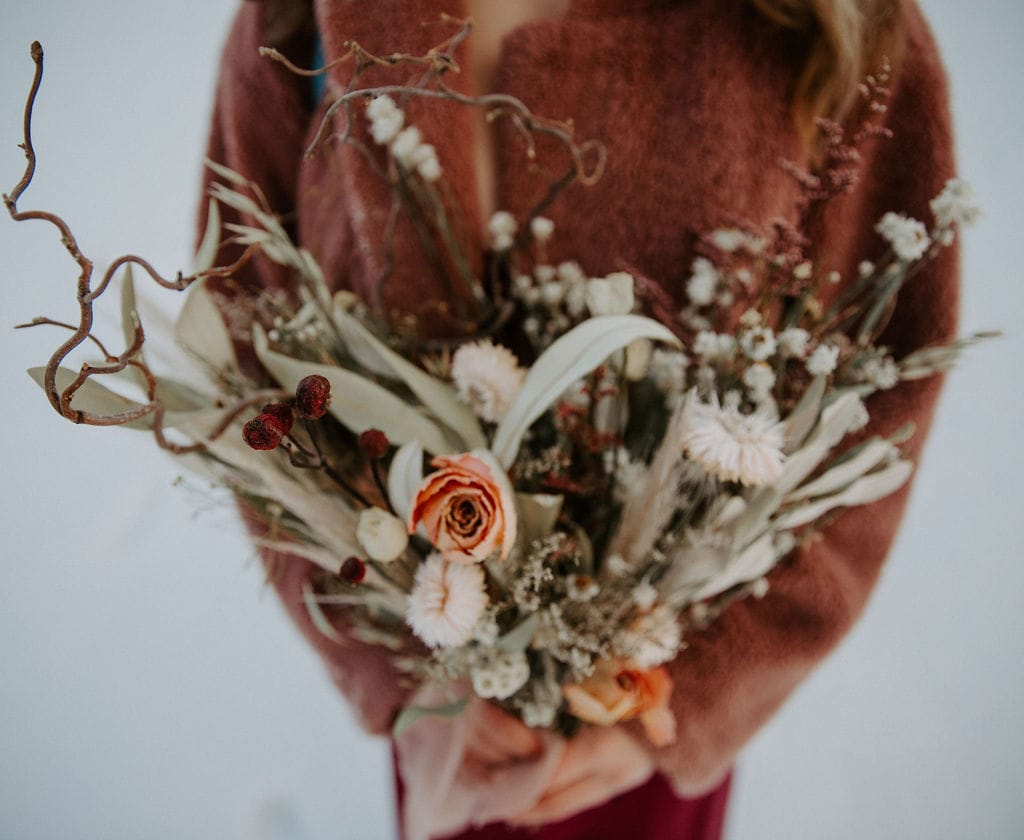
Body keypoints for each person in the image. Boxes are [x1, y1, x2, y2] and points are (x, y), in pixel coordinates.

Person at [200, 0, 959, 836]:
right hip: (446, 727)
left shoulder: (837, 27)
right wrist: (398, 680)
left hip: (644, 732)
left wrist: (693, 697)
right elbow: (247, 349)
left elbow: (880, 397)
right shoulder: (293, 20)